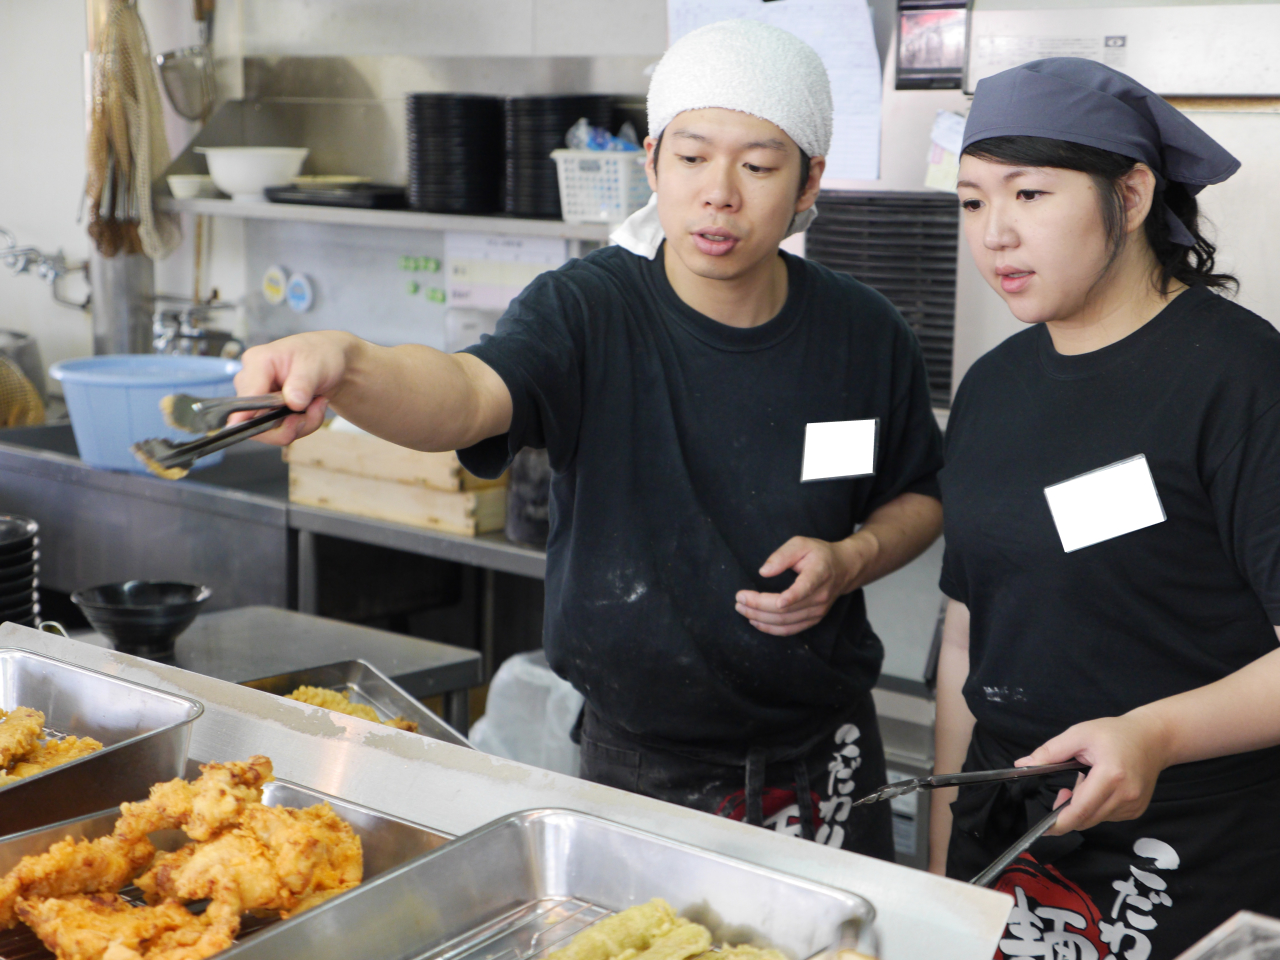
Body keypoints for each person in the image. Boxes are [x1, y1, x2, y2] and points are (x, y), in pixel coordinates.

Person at [236, 20, 943, 858]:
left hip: (830, 755)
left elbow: (920, 495)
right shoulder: (588, 312)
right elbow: (465, 394)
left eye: (757, 165)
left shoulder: (864, 333)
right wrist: (348, 363)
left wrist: (853, 558)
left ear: (808, 180)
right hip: (638, 761)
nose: (719, 192)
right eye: (690, 158)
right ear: (651, 163)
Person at [930, 57, 1280, 956]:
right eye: (973, 202)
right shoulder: (993, 385)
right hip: (1004, 841)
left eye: (1031, 195)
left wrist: (1154, 734)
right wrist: (937, 885)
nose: (995, 235)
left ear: (1130, 194)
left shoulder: (1239, 380)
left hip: (1191, 852)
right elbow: (969, 633)